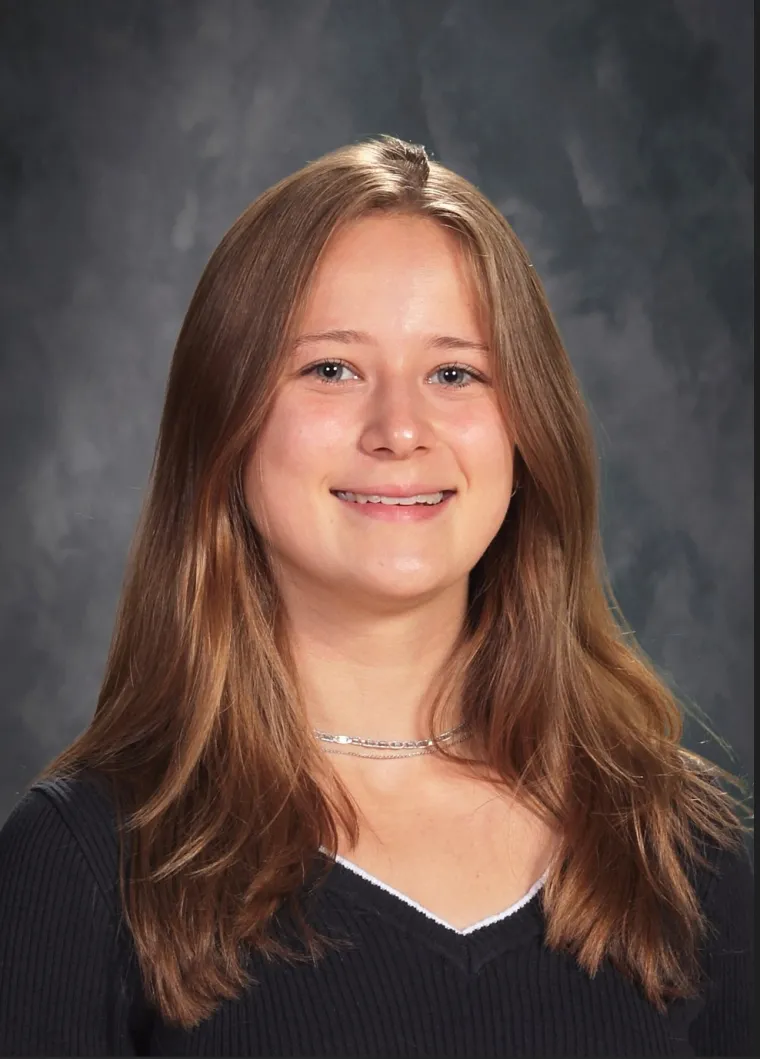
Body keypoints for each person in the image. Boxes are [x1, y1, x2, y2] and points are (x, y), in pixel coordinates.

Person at [0, 135, 753, 1058]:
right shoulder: (84, 866)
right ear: (225, 424)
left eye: (455, 372)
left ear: (529, 434)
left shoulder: (681, 850)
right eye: (331, 369)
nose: (400, 429)